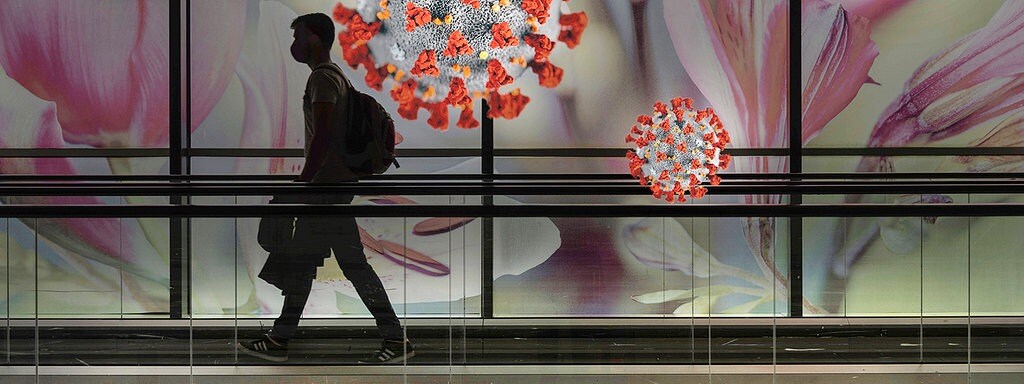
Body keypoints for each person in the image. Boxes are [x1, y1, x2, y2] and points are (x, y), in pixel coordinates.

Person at [238, 12, 414, 364]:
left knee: (328, 263)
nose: (293, 44)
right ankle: (283, 337)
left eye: (298, 36)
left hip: (326, 187)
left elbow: (323, 135)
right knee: (323, 263)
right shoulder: (336, 78)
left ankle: (392, 338)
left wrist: (304, 181)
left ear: (314, 38)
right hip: (334, 185)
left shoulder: (322, 80)